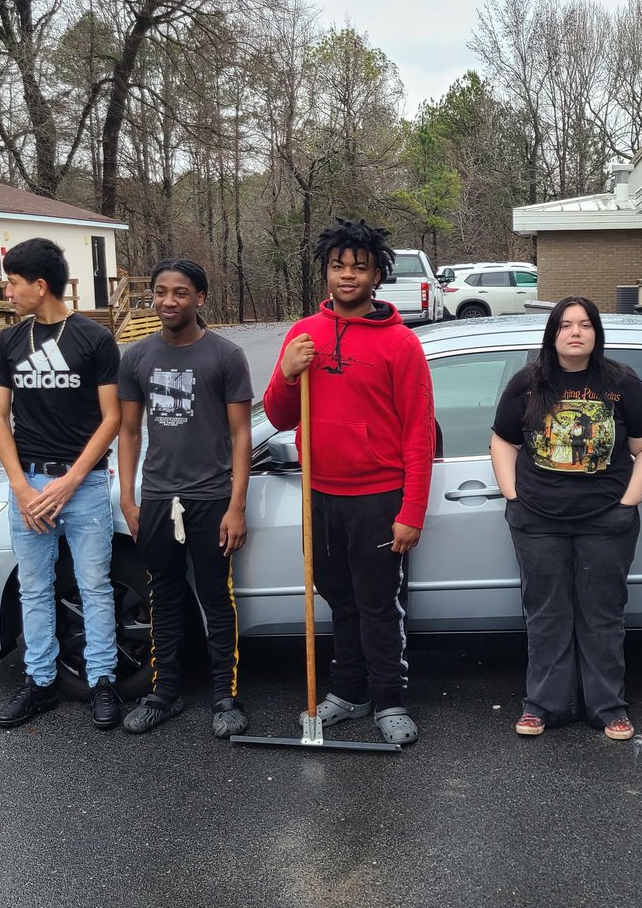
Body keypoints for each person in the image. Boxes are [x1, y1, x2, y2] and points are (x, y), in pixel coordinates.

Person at [263, 218, 435, 745]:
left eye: (359, 267)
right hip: (320, 493)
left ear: (377, 274)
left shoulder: (401, 344)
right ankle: (349, 691)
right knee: (336, 595)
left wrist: (411, 512)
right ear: (326, 273)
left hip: (377, 497)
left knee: (379, 601)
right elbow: (276, 414)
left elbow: (418, 434)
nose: (347, 275)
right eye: (338, 266)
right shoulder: (302, 335)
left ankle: (388, 698)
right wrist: (288, 372)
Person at [491, 297, 642, 741]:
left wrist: (629, 502)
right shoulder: (527, 383)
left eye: (584, 325)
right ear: (552, 333)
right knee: (545, 614)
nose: (575, 332)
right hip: (537, 521)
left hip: (606, 521)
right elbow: (503, 441)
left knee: (602, 613)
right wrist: (513, 494)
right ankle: (542, 705)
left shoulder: (621, 383)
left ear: (595, 333)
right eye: (566, 325)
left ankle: (608, 707)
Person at [0, 238, 122, 729]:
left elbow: (112, 418)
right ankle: (40, 683)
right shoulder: (9, 343)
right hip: (31, 485)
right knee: (35, 589)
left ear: (40, 286)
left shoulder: (94, 339)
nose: (7, 292)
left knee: (94, 586)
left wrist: (73, 480)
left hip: (81, 486)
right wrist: (22, 488)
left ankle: (102, 681)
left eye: (13, 283)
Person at [117, 259, 254, 739]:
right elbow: (129, 431)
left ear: (200, 298)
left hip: (211, 498)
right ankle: (164, 694)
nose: (168, 301)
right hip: (157, 497)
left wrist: (236, 505)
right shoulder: (136, 358)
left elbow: (241, 436)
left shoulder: (225, 356)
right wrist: (129, 499)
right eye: (160, 292)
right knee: (164, 596)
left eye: (180, 292)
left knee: (216, 598)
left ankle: (224, 696)